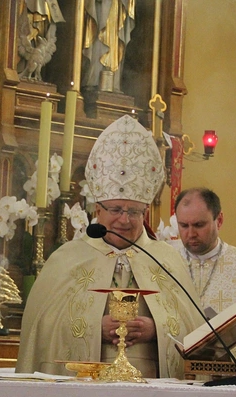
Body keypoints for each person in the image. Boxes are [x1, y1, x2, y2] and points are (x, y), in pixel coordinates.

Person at [17, 114, 205, 378]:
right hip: (87, 387)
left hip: (153, 388)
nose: (124, 220)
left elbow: (195, 331)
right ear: (97, 209)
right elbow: (41, 328)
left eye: (135, 212)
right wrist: (94, 326)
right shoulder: (67, 258)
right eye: (116, 209)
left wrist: (157, 329)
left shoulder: (166, 260)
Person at [170, 187, 236, 363]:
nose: (191, 234)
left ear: (219, 220)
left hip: (228, 373)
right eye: (183, 225)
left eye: (199, 225)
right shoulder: (166, 261)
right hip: (176, 369)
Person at [82, 0, 135, 92]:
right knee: (98, 38)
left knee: (115, 42)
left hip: (116, 7)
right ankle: (94, 80)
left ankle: (113, 83)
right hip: (101, 6)